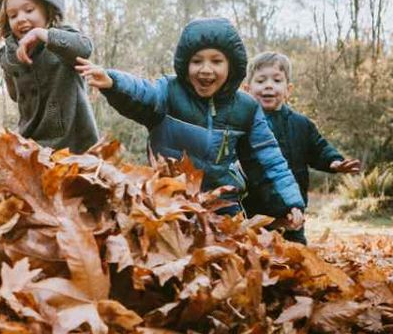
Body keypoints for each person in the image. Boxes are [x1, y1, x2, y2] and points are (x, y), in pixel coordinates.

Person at [75, 17, 305, 229]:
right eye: (197, 61)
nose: (205, 69)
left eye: (216, 61)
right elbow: (142, 92)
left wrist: (289, 203)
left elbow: (267, 159)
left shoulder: (246, 108)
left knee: (233, 253)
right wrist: (113, 82)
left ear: (231, 66)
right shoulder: (168, 93)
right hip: (170, 198)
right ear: (186, 65)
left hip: (221, 202)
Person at [241, 51, 362, 243]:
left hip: (293, 211)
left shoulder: (301, 124)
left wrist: (334, 161)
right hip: (254, 212)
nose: (269, 86)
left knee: (296, 257)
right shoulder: (242, 125)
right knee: (255, 258)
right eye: (261, 80)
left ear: (288, 89)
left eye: (276, 80)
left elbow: (318, 147)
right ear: (247, 90)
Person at [0, 0, 99, 154]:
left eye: (29, 10)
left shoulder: (62, 42)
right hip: (33, 146)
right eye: (13, 15)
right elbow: (15, 95)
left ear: (47, 9)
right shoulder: (8, 55)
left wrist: (43, 35)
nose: (21, 19)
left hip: (74, 146)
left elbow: (85, 48)